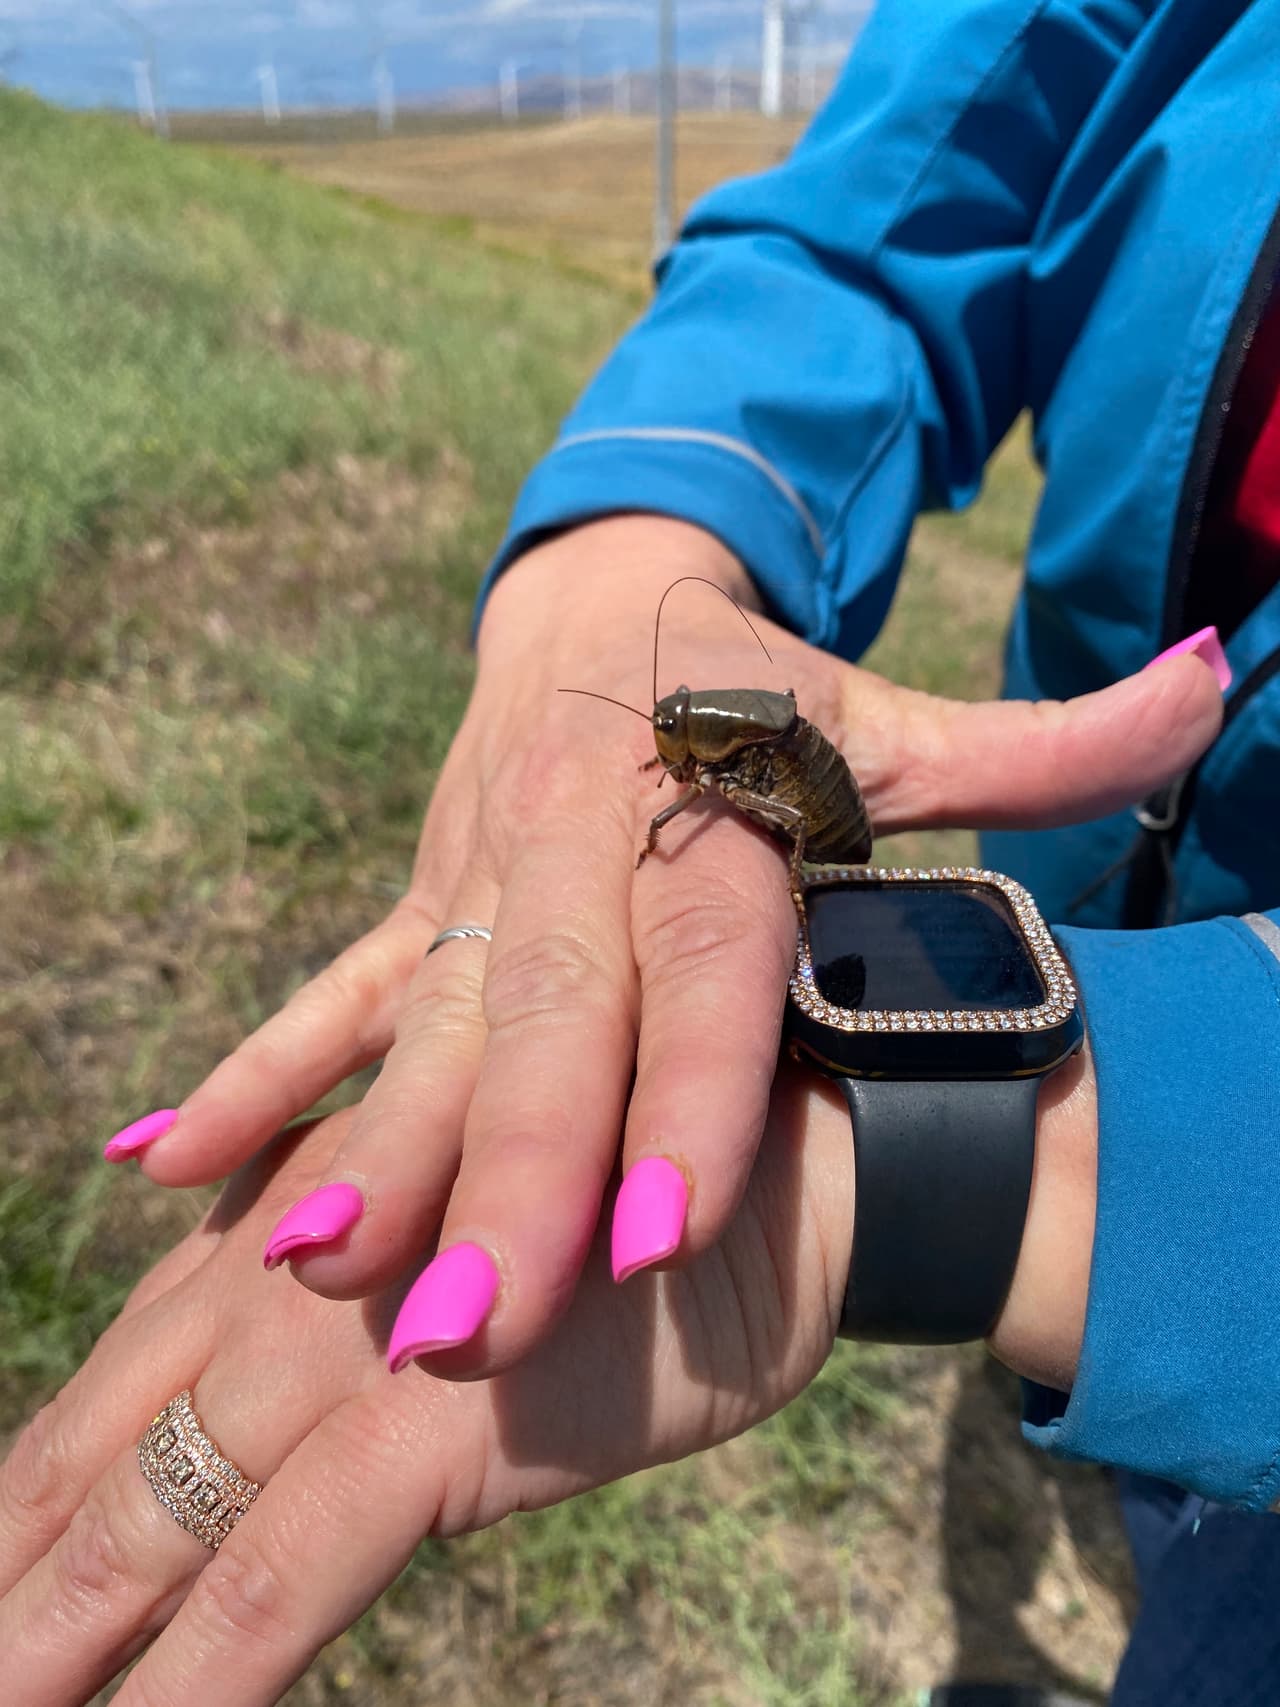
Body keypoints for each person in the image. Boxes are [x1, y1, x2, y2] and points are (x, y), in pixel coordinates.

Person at [8, 0, 1280, 1697]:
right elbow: (895, 205)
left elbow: (769, 797)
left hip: (1132, 1141)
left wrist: (983, 1166)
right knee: (1133, 1483)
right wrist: (628, 551)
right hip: (1040, 935)